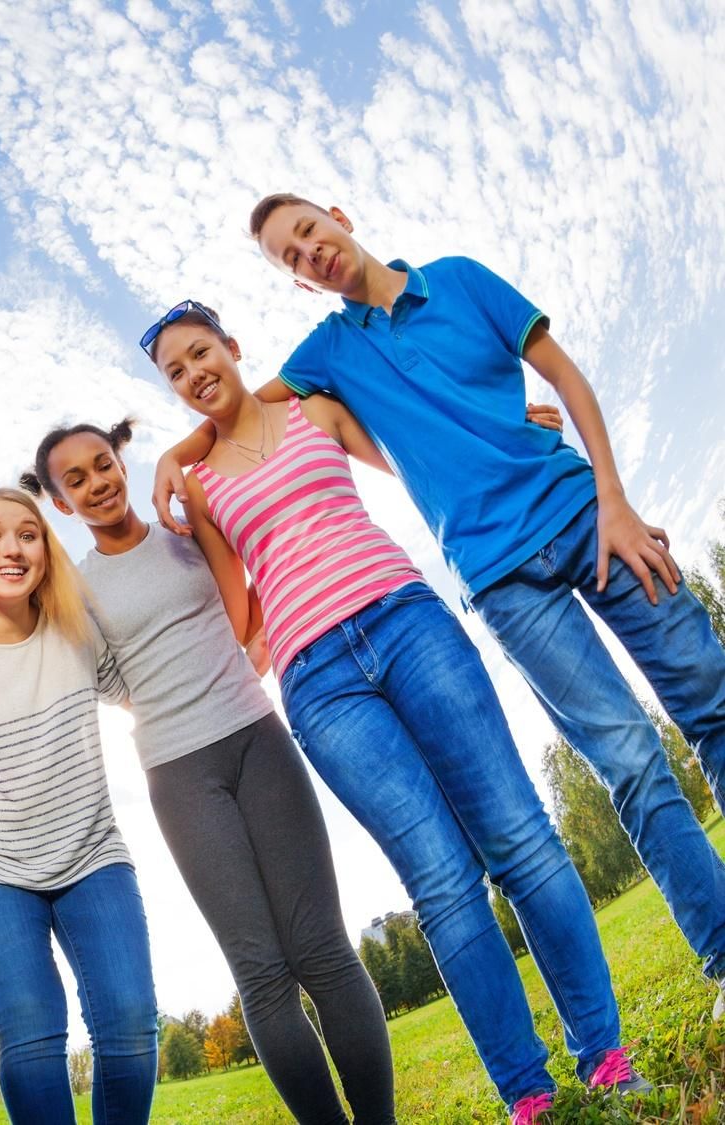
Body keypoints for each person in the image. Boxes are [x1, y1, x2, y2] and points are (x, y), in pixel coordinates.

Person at [153, 195, 725, 1021]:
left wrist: (615, 499)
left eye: (308, 232)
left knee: (711, 697)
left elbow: (564, 376)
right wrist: (173, 454)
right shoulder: (328, 353)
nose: (309, 253)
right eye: (290, 258)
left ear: (338, 216)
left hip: (585, 513)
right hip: (500, 578)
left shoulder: (457, 279)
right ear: (297, 282)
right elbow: (235, 408)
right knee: (629, 758)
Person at [150, 298, 647, 1122]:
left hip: (408, 623)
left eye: (200, 352)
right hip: (318, 681)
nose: (194, 374)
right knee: (443, 882)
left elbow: (418, 456)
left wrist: (498, 426)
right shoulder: (198, 488)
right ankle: (528, 1093)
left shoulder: (315, 409)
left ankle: (604, 1057)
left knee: (520, 837)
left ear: (230, 346)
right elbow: (237, 616)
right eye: (176, 372)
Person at [34, 422, 394, 1125]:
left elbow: (248, 586)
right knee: (262, 972)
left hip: (259, 738)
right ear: (60, 503)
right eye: (75, 479)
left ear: (122, 462)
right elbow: (104, 679)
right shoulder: (77, 588)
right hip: (177, 771)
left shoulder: (187, 530)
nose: (97, 483)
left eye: (102, 464)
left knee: (322, 948)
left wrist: (179, 453)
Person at [0, 486, 157, 1125]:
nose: (12, 549)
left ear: (45, 549)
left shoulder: (76, 627)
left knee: (131, 1023)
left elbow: (143, 694)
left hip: (93, 854)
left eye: (27, 535)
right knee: (31, 1031)